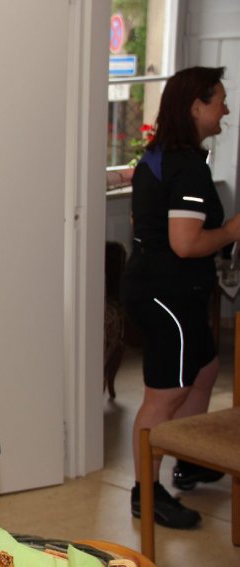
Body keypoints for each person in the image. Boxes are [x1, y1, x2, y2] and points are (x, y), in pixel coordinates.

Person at [123, 66, 237, 529]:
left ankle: (190, 459)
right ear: (195, 107)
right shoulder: (186, 166)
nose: (225, 109)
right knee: (165, 395)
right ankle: (145, 494)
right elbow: (186, 244)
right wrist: (232, 230)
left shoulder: (160, 156)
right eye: (219, 101)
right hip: (166, 295)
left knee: (204, 368)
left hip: (161, 288)